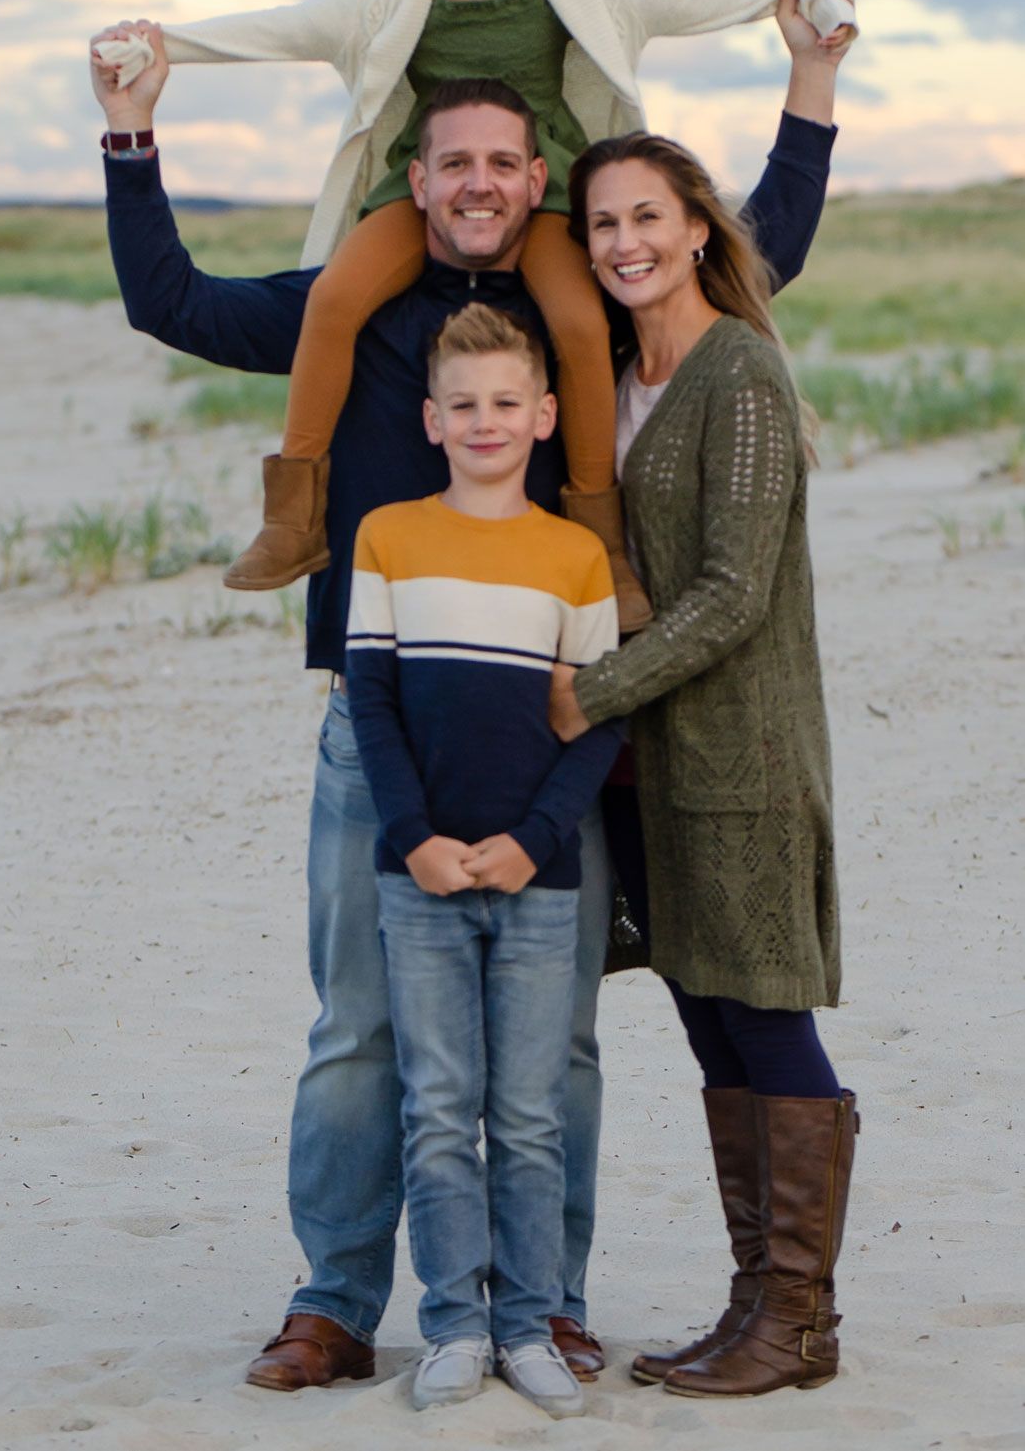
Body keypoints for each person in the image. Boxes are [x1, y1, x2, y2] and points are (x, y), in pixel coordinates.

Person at [89, 0, 847, 1393]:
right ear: (416, 182)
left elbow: (751, 251)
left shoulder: (594, 329)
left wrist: (808, 87)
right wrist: (131, 132)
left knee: (554, 1042)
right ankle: (333, 1299)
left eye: (505, 162)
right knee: (362, 1027)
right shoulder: (358, 310)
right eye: (454, 165)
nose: (480, 184)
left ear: (535, 177)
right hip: (376, 727)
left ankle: (547, 1302)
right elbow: (169, 301)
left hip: (561, 725)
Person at [90, 0, 855, 634]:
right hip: (387, 644)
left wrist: (793, 17)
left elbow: (696, 29)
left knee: (575, 324)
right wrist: (152, 65)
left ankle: (606, 543)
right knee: (333, 297)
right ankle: (292, 514)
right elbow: (275, 37)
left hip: (557, 221)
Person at [548, 127, 857, 1397]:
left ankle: (798, 1321)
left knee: (764, 1016)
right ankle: (753, 1307)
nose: (622, 243)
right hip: (646, 771)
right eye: (601, 226)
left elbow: (732, 593)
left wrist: (590, 693)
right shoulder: (614, 369)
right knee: (709, 1027)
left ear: (693, 226)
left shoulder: (736, 373)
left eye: (643, 218)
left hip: (739, 754)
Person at [345, 303, 620, 1416]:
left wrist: (532, 839)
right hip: (418, 878)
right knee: (435, 1103)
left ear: (543, 414)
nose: (485, 421)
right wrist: (413, 838)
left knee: (528, 1113)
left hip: (536, 876)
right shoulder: (388, 536)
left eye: (506, 403)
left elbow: (596, 721)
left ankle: (530, 1321)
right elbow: (368, 697)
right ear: (430, 418)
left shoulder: (574, 553)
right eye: (463, 405)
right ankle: (452, 1324)